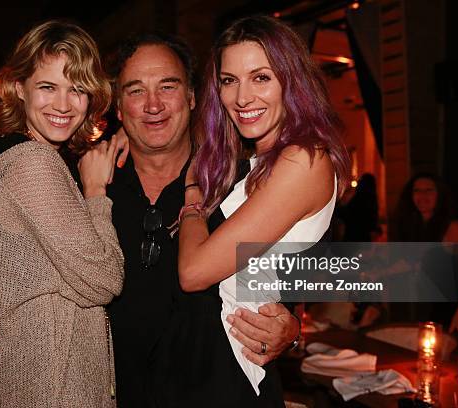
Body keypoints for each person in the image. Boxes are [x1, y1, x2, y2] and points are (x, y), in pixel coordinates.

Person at [0, 31, 300, 407]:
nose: (153, 105)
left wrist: (292, 329)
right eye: (135, 90)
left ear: (192, 97)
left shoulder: (239, 180)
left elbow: (310, 264)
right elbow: (56, 261)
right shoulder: (84, 186)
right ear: (116, 105)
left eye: (168, 86)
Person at [149, 15, 349, 407]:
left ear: (291, 81)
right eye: (229, 80)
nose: (242, 98)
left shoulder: (303, 160)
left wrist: (192, 197)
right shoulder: (249, 160)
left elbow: (194, 273)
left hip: (225, 373)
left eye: (261, 77)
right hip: (195, 361)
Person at [0, 20, 124, 407]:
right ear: (19, 88)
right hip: (53, 388)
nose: (63, 104)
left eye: (77, 89)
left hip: (31, 382)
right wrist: (95, 193)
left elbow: (28, 271)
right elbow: (104, 280)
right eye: (48, 87)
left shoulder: (5, 160)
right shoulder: (32, 163)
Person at [392, 173, 458, 337]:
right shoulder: (415, 227)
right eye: (417, 191)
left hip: (450, 310)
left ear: (439, 195)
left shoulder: (453, 227)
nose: (422, 196)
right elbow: (410, 264)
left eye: (429, 190)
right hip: (423, 308)